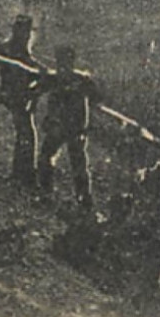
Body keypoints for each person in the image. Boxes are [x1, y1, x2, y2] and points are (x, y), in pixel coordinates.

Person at [37, 45, 100, 208]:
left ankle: (84, 200)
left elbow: (97, 97)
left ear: (71, 62)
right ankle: (46, 193)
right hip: (58, 127)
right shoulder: (54, 78)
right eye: (60, 62)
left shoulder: (82, 80)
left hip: (75, 128)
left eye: (66, 61)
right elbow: (37, 89)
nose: (62, 65)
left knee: (78, 164)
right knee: (46, 157)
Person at [0, 16, 45, 187]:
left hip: (20, 95)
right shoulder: (10, 48)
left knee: (25, 133)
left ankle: (21, 173)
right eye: (24, 31)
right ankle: (24, 175)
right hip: (15, 95)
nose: (26, 35)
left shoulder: (12, 48)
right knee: (26, 133)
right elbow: (24, 64)